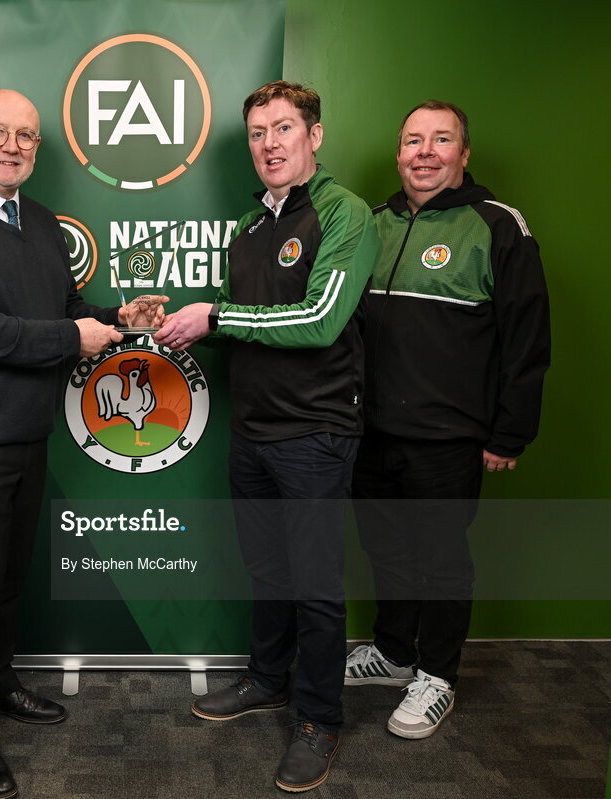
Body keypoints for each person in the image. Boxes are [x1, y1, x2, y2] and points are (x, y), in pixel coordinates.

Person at [0, 89, 165, 799]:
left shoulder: (41, 222)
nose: (12, 146)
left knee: (7, 580)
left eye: (26, 136)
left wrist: (117, 316)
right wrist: (71, 336)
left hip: (25, 431)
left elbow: (64, 311)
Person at [155, 81, 380, 792]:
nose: (270, 144)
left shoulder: (344, 213)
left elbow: (319, 320)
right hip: (252, 432)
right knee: (267, 570)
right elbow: (245, 322)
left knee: (315, 584)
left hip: (315, 432)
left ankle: (319, 719)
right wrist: (181, 325)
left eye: (284, 128)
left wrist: (216, 317)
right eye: (257, 133)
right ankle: (267, 679)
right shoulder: (252, 227)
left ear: (315, 135)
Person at [344, 101, 550, 739]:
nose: (425, 152)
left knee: (440, 559)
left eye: (441, 140)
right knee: (385, 548)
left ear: (464, 154)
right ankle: (393, 651)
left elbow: (527, 339)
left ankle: (437, 674)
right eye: (414, 140)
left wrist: (510, 432)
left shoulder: (498, 225)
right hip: (371, 431)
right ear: (399, 153)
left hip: (449, 436)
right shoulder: (371, 223)